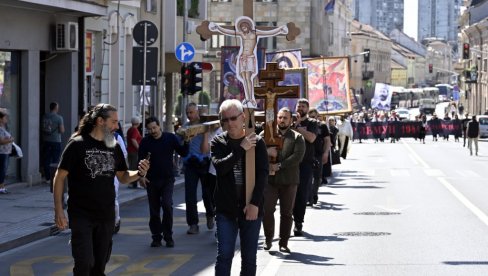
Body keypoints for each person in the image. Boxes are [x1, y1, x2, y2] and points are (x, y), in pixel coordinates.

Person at [53, 103, 150, 275]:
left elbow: (123, 176)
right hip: (81, 214)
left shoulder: (114, 146)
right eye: (113, 122)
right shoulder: (77, 144)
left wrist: (139, 172)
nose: (116, 126)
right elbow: (59, 178)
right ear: (100, 121)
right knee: (84, 264)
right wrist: (59, 211)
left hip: (106, 215)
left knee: (99, 266)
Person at [211, 99, 268, 275]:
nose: (229, 123)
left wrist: (255, 204)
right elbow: (220, 168)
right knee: (224, 256)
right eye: (225, 120)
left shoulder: (257, 142)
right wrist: (240, 149)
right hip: (226, 209)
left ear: (243, 117)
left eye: (233, 118)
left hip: (250, 207)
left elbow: (263, 175)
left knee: (249, 258)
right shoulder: (218, 142)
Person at [209, 17, 288, 108]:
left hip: (250, 58)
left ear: (248, 26)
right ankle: (248, 98)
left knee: (249, 79)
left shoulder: (255, 33)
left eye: (244, 26)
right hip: (243, 58)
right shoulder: (242, 34)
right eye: (241, 27)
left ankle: (251, 98)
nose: (243, 28)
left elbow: (268, 32)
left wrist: (280, 30)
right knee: (245, 79)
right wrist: (218, 28)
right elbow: (228, 32)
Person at [138, 116, 189, 248]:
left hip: (167, 179)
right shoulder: (145, 142)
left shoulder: (170, 138)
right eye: (149, 129)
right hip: (151, 180)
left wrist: (187, 141)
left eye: (154, 128)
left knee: (167, 205)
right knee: (154, 210)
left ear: (159, 126)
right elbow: (140, 161)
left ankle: (168, 236)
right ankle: (156, 237)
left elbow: (183, 152)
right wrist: (141, 176)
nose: (153, 131)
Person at [262, 107, 305, 253]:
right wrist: (267, 158)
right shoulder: (267, 134)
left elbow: (297, 157)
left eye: (285, 118)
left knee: (286, 213)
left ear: (291, 120)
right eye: (279, 117)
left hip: (289, 180)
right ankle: (268, 239)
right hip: (270, 181)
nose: (281, 120)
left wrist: (279, 165)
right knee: (267, 210)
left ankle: (284, 241)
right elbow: (256, 148)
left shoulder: (297, 137)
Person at [182, 103, 214, 235]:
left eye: (192, 112)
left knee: (207, 194)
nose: (190, 115)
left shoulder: (205, 126)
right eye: (188, 113)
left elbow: (206, 148)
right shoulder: (185, 128)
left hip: (204, 163)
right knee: (190, 195)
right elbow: (180, 147)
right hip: (190, 164)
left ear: (197, 112)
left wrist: (205, 132)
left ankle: (210, 214)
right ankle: (193, 224)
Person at [292, 99, 318, 236]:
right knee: (288, 193)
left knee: (301, 194)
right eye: (299, 106)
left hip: (305, 163)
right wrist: (294, 125)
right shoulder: (290, 120)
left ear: (307, 109)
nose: (300, 108)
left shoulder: (312, 123)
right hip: (290, 163)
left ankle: (298, 222)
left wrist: (298, 129)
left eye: (303, 106)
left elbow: (312, 138)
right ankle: (289, 219)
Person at [308, 108, 330, 203]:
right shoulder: (307, 125)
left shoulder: (322, 126)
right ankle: (309, 196)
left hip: (318, 154)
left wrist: (326, 153)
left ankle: (314, 193)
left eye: (314, 116)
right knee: (308, 176)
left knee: (317, 176)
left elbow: (327, 140)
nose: (312, 118)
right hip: (307, 154)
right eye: (310, 116)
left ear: (317, 116)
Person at [42, 102, 65, 183]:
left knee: (46, 159)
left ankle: (47, 177)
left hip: (46, 140)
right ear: (56, 108)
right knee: (55, 160)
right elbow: (62, 130)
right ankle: (54, 178)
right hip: (56, 140)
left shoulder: (45, 116)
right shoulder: (59, 118)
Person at [113, 130, 127, 234]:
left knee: (113, 197)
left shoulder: (116, 137)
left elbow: (124, 153)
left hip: (113, 173)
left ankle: (116, 221)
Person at [0, 109, 14, 194]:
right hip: (2, 152)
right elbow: (1, 141)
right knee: (2, 170)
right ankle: (1, 187)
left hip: (6, 152)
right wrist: (10, 140)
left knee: (3, 170)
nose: (6, 119)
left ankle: (2, 186)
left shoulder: (4, 128)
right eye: (5, 117)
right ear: (0, 119)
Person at [127, 116, 142, 188]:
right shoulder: (135, 130)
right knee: (134, 167)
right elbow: (133, 139)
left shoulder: (130, 129)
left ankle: (132, 183)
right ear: (138, 123)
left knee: (132, 166)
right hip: (134, 151)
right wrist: (139, 148)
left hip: (130, 151)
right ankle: (132, 183)